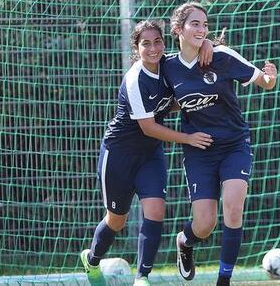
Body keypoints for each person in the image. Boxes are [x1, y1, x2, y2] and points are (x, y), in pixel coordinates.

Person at [79, 20, 215, 286]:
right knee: (117, 220)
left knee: (155, 211)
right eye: (146, 43)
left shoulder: (170, 67)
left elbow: (190, 59)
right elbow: (149, 126)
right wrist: (188, 137)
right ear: (137, 48)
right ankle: (92, 260)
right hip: (119, 155)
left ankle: (142, 277)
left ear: (164, 43)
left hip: (150, 155)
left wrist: (206, 43)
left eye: (157, 42)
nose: (153, 48)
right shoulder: (134, 79)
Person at [162, 2, 278, 286]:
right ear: (178, 29)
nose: (202, 30)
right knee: (204, 225)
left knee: (234, 206)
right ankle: (184, 242)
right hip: (199, 150)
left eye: (205, 24)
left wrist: (271, 77)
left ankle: (223, 280)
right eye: (195, 24)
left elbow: (263, 81)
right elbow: (163, 106)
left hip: (233, 144)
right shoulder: (167, 67)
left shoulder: (221, 56)